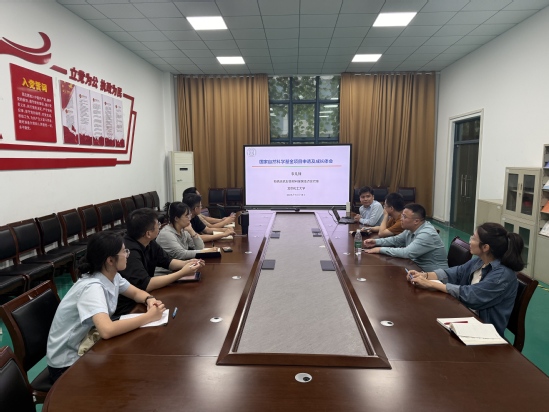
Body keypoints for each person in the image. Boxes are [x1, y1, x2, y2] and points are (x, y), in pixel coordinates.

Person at [47, 231, 166, 383]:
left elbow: (136, 293)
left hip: (88, 345)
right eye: (124, 251)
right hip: (68, 363)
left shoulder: (112, 275)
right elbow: (107, 330)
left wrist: (149, 299)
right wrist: (148, 317)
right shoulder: (92, 287)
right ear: (110, 260)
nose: (127, 255)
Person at [407, 222, 522, 337]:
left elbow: (471, 295)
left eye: (474, 238)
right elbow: (456, 273)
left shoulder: (502, 275)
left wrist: (430, 284)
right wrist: (425, 275)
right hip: (467, 316)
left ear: (485, 247)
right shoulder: (480, 261)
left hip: (484, 330)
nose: (470, 241)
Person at [114, 208, 204, 317]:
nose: (160, 227)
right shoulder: (129, 252)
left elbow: (167, 261)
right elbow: (146, 284)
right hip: (128, 307)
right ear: (148, 233)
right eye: (158, 225)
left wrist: (188, 263)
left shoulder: (149, 242)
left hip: (145, 298)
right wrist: (182, 273)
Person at [363, 203, 448, 271]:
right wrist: (376, 242)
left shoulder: (427, 234)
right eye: (402, 215)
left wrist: (380, 249)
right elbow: (396, 240)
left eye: (404, 217)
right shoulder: (410, 229)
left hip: (434, 276)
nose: (401, 219)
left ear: (416, 221)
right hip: (417, 269)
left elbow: (406, 253)